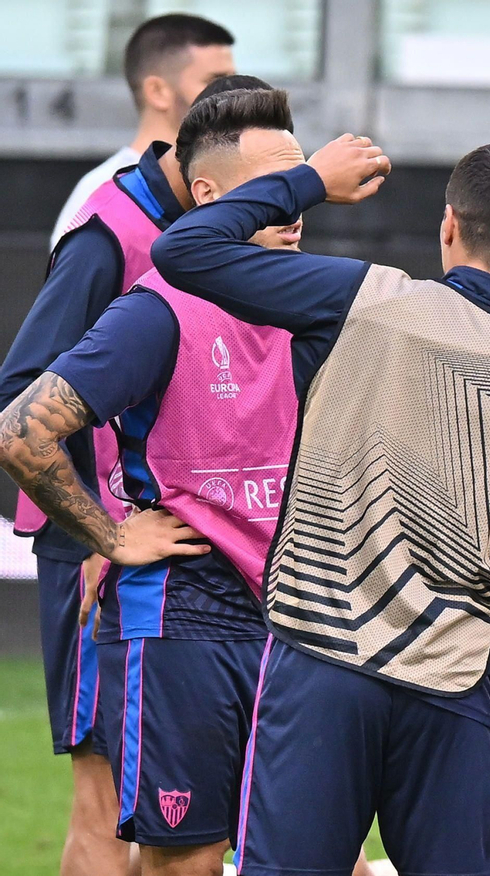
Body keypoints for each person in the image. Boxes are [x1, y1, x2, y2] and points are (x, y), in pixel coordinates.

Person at [148, 136, 490, 874]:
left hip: (319, 666)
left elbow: (183, 250)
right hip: (452, 692)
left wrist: (307, 182)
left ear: (448, 224)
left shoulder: (364, 301)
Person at [0, 72, 266, 876]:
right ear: (210, 173)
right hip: (109, 562)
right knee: (104, 808)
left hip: (199, 575)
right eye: (271, 192)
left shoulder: (212, 237)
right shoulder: (108, 232)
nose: (284, 216)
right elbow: (21, 397)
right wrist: (104, 532)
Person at [50, 14, 235, 248]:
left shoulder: (232, 182)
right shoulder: (102, 194)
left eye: (234, 79)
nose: (233, 92)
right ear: (157, 91)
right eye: (215, 80)